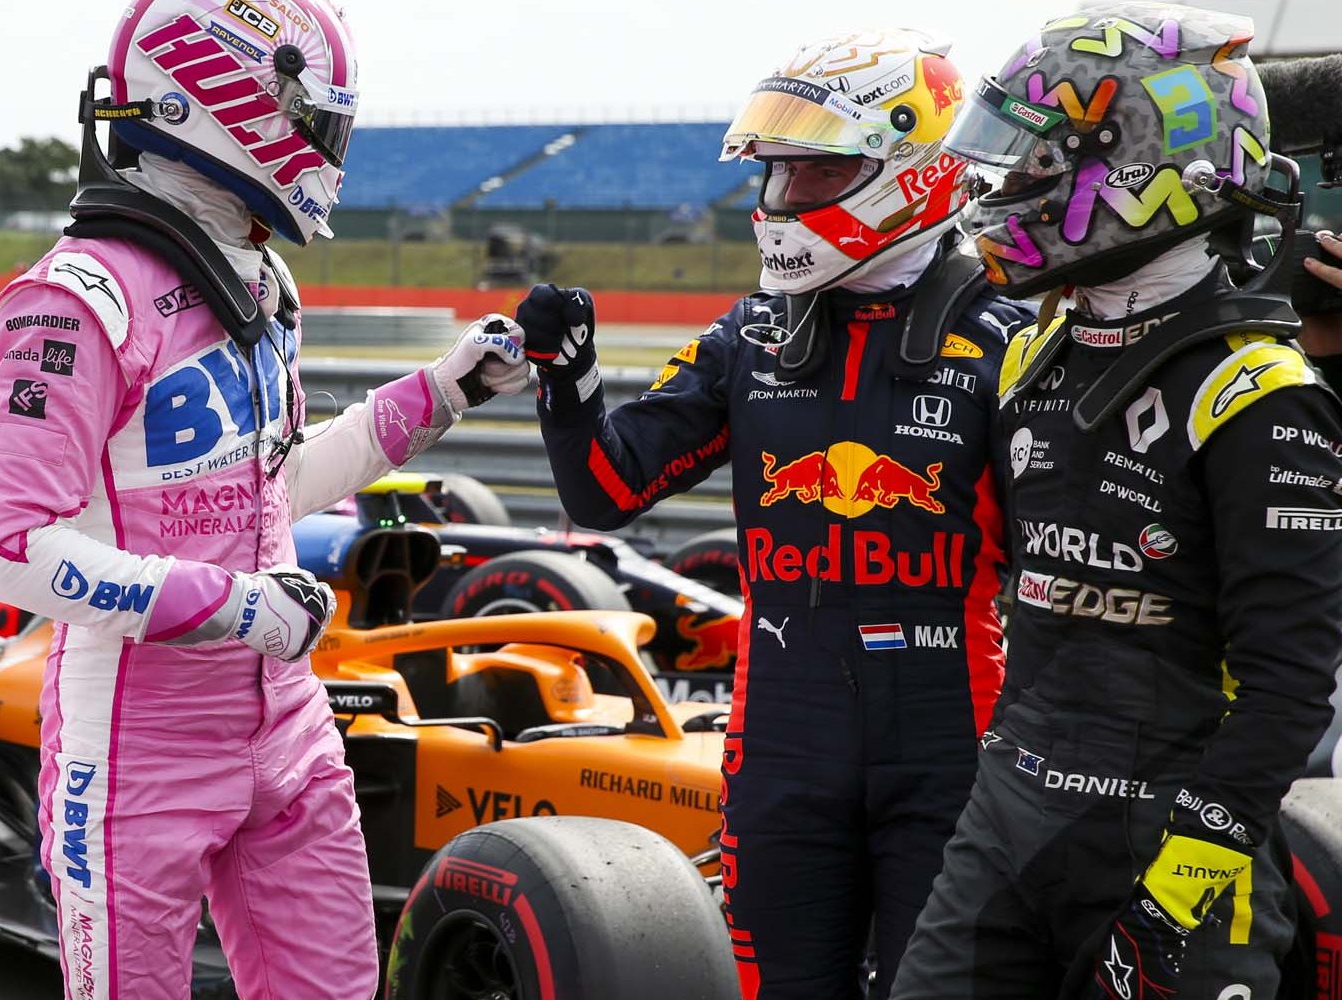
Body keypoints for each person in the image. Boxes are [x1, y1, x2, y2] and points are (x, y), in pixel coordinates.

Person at [0, 3, 529, 998]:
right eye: (318, 119)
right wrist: (230, 607)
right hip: (134, 745)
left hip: (286, 724)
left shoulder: (259, 280)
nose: (327, 148)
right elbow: (11, 552)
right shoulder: (77, 299)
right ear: (228, 95)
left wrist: (444, 392)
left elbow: (272, 494)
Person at [519, 29, 1028, 999]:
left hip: (956, 746)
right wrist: (570, 384)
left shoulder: (1010, 336)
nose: (782, 202)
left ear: (909, 171)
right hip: (783, 742)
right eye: (777, 174)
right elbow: (605, 493)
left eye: (813, 173)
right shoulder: (746, 336)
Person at [889, 5, 1342, 998]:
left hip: (1179, 855)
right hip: (1006, 821)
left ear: (1141, 168)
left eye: (1036, 166)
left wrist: (1172, 895)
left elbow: (1288, 693)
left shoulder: (1256, 393)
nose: (1005, 191)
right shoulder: (1028, 355)